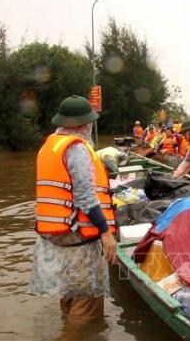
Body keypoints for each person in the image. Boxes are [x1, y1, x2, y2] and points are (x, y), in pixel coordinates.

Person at [28, 95, 117, 324]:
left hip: (57, 235)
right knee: (87, 302)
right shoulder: (76, 149)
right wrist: (106, 233)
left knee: (70, 291)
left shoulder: (49, 145)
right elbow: (86, 198)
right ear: (85, 124)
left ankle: (67, 325)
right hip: (78, 235)